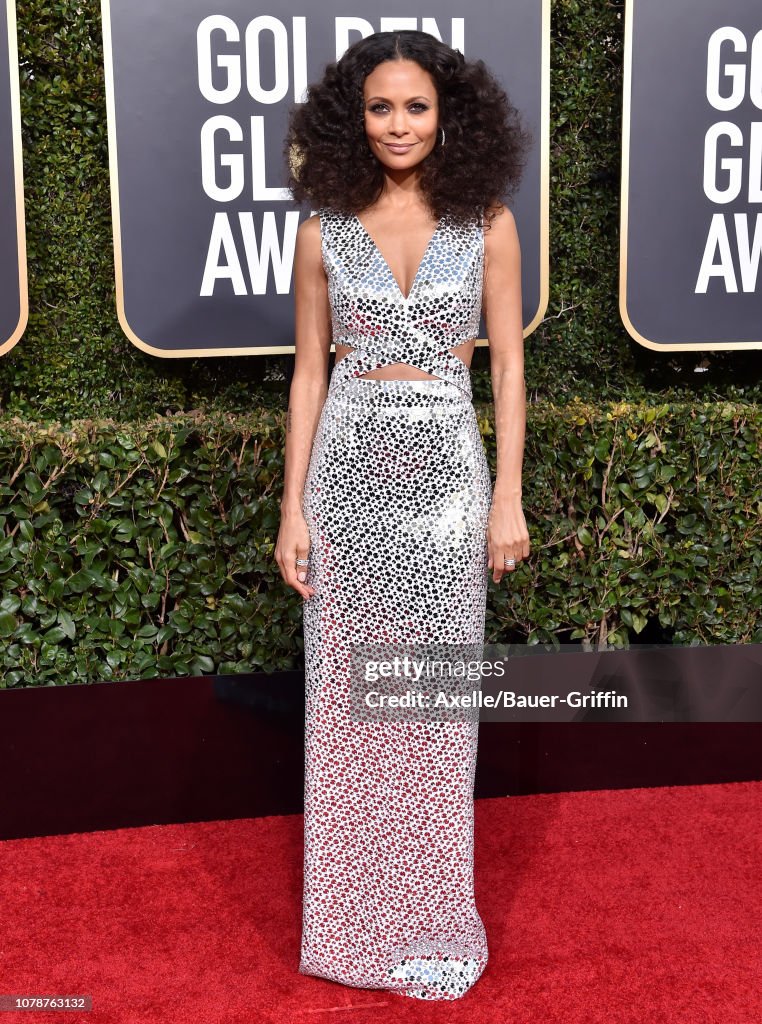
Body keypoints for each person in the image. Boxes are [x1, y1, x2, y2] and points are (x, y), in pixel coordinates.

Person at [275, 29, 531, 1000]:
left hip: (445, 486)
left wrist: (506, 494)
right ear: (353, 116)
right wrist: (294, 509)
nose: (398, 124)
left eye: (415, 106)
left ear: (447, 114)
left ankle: (426, 913)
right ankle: (348, 927)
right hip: (347, 477)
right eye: (380, 107)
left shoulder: (490, 224)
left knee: (430, 707)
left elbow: (507, 364)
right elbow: (306, 376)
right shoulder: (322, 229)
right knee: (346, 704)